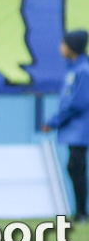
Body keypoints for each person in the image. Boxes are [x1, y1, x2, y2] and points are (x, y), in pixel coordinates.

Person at [43, 30, 89, 224]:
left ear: (72, 47)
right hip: (75, 129)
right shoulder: (74, 69)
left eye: (63, 44)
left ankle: (81, 213)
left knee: (76, 166)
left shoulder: (83, 70)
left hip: (81, 129)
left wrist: (54, 121)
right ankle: (80, 213)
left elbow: (78, 103)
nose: (60, 48)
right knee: (75, 167)